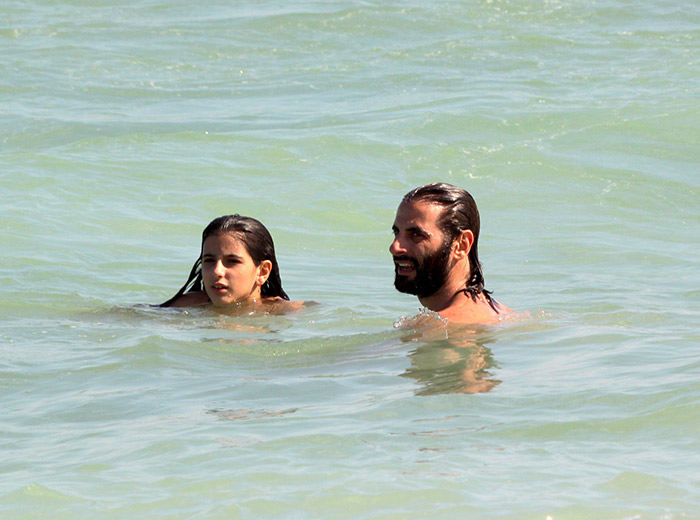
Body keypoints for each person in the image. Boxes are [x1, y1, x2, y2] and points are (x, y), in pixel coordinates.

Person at [390, 182, 511, 324]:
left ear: (461, 245)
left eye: (416, 235)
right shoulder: (502, 314)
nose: (395, 247)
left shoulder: (435, 328)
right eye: (396, 232)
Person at [160, 214, 301, 312]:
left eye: (232, 261)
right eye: (209, 260)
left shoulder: (284, 312)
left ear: (262, 271)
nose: (217, 271)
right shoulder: (187, 307)